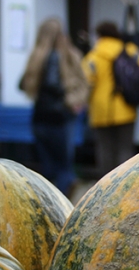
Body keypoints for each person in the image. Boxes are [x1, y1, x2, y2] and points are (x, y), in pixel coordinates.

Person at [19, 19, 89, 197]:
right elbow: (82, 84)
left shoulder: (37, 57)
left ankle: (49, 200)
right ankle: (65, 195)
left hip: (41, 116)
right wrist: (71, 100)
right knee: (64, 163)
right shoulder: (69, 55)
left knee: (47, 165)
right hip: (63, 117)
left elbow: (23, 84)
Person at [82, 21, 139, 176]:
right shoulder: (129, 50)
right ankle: (123, 182)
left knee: (104, 149)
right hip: (126, 107)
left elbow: (86, 81)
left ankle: (105, 184)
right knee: (125, 148)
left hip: (100, 109)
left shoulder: (93, 56)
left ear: (99, 36)